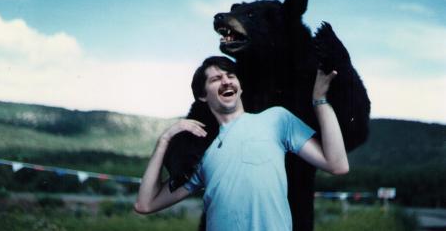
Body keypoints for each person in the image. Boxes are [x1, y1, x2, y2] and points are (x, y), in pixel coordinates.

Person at [135, 56, 348, 230]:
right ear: (202, 95)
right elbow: (145, 204)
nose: (226, 81)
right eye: (215, 79)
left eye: (231, 76)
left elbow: (337, 164)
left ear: (240, 87)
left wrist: (320, 100)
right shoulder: (202, 154)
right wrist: (164, 140)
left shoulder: (276, 119)